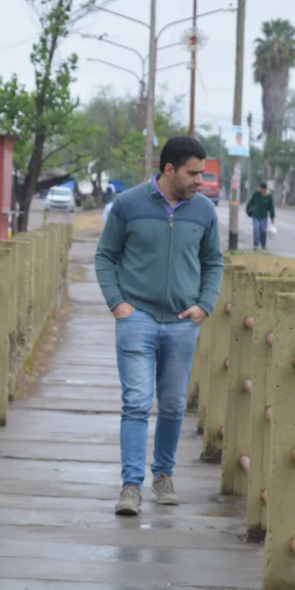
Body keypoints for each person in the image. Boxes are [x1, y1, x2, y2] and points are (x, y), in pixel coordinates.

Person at [95, 136, 224, 516]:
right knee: (136, 403)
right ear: (169, 169)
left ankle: (164, 476)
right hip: (137, 318)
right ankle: (131, 486)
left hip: (183, 322)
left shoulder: (204, 211)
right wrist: (118, 304)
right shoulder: (128, 204)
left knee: (172, 404)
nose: (200, 181)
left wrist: (204, 305)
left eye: (202, 173)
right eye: (193, 173)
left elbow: (213, 262)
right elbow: (105, 256)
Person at [247, 183, 275, 250]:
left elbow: (271, 207)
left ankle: (263, 244)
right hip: (256, 215)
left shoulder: (269, 197)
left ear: (265, 190)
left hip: (263, 217)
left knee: (263, 230)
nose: (262, 191)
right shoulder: (256, 194)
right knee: (256, 229)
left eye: (263, 190)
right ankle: (256, 244)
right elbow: (251, 202)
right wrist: (251, 208)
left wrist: (272, 217)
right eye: (261, 190)